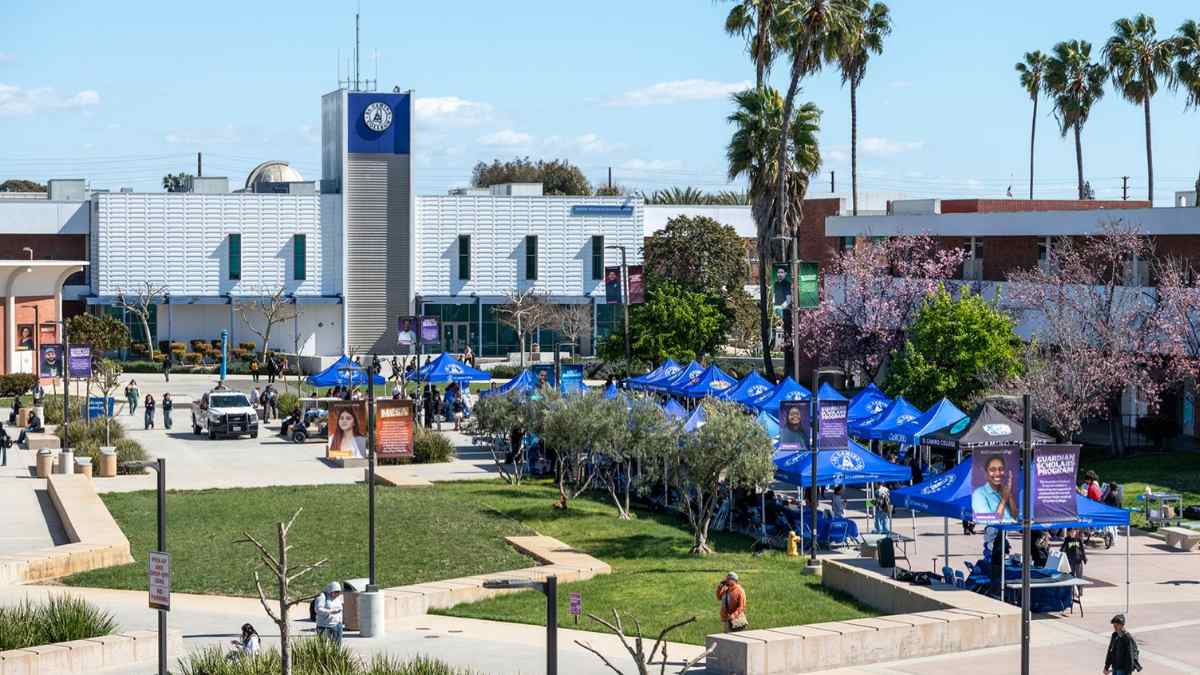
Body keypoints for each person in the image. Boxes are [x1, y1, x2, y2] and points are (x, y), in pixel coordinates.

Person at [971, 455, 1018, 524]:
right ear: (986, 473)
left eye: (1001, 469)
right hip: (996, 530)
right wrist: (1004, 499)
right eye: (992, 470)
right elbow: (991, 521)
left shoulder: (1003, 490)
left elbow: (1014, 516)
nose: (998, 473)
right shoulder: (979, 494)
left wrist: (1009, 495)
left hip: (1011, 528)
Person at [1061, 527, 1089, 597]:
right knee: (1071, 576)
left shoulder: (1079, 539)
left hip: (1078, 560)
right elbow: (1062, 548)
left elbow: (1082, 549)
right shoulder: (1067, 539)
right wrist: (1061, 553)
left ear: (1076, 532)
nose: (1072, 533)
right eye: (1071, 532)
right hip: (1070, 560)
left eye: (1074, 532)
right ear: (1069, 532)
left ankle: (1080, 591)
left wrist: (1084, 558)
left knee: (1079, 576)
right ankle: (1072, 591)